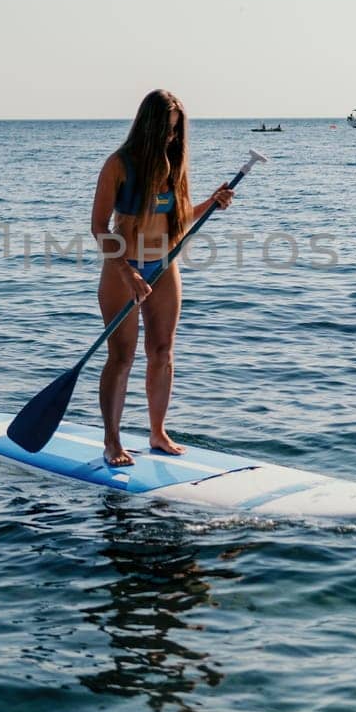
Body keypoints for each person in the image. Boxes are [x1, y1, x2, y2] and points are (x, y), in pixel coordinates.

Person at [91, 90, 235, 466]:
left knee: (162, 352)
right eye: (166, 132)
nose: (171, 139)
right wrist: (127, 270)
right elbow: (98, 227)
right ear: (148, 127)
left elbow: (178, 216)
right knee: (121, 357)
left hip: (165, 264)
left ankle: (157, 432)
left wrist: (210, 203)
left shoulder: (174, 163)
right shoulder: (118, 165)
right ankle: (112, 442)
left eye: (176, 132)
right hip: (123, 268)